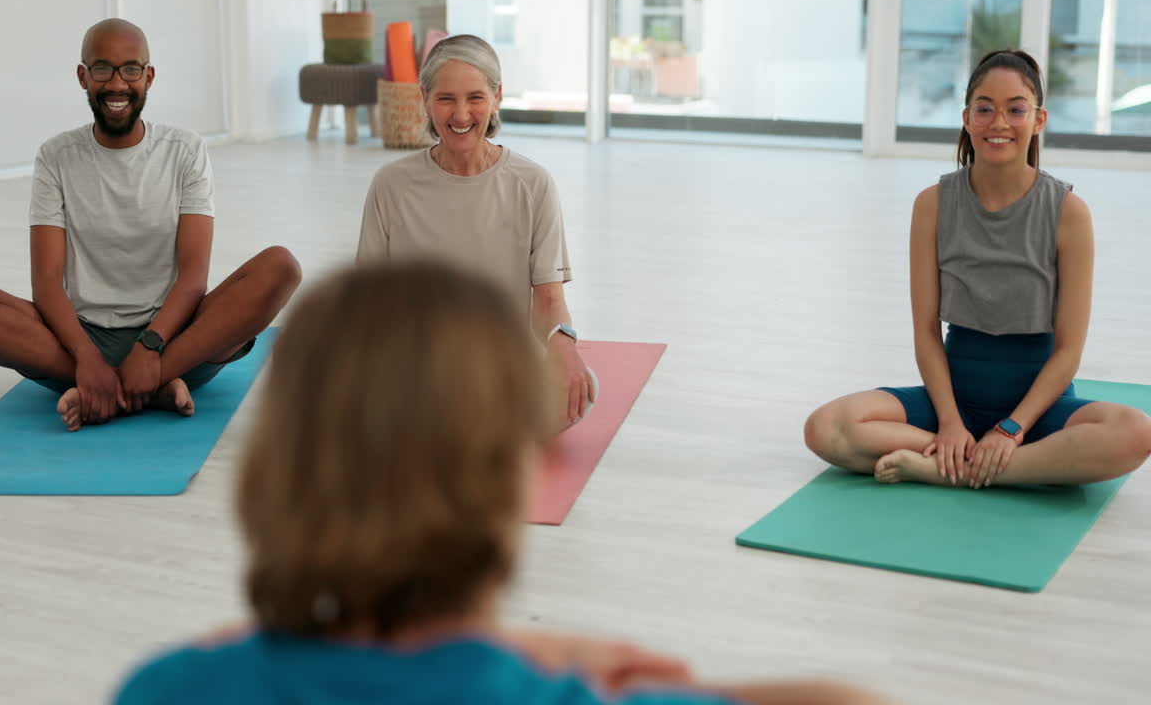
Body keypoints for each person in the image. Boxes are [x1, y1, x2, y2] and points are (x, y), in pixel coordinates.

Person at [112, 261, 888, 705]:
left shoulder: (168, 690)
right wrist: (549, 652)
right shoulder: (550, 698)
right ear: (509, 476)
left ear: (278, 467)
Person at [804, 50, 1151, 488]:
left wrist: (1012, 428)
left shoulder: (1069, 213)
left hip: (1038, 410)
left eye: (1016, 109)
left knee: (1135, 434)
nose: (999, 122)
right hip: (953, 400)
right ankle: (995, 464)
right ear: (967, 118)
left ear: (1039, 119)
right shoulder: (932, 204)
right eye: (984, 108)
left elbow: (1068, 353)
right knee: (826, 427)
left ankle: (951, 469)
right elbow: (926, 331)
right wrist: (949, 421)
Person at [0, 18, 301, 432]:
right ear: (83, 76)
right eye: (102, 68)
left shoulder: (185, 151)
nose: (117, 84)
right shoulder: (56, 156)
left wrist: (152, 345)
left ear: (149, 76)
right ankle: (138, 388)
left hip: (175, 338)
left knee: (280, 267)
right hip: (77, 343)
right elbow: (48, 280)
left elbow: (193, 276)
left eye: (131, 69)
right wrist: (88, 359)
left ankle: (117, 390)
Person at [357, 34, 594, 432]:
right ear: (425, 99)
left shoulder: (533, 183)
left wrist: (565, 347)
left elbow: (550, 299)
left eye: (475, 97)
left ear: (497, 96)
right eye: (446, 98)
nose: (461, 114)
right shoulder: (391, 185)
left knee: (581, 389)